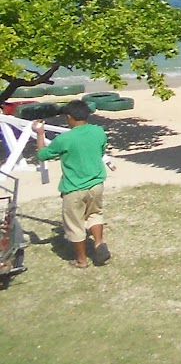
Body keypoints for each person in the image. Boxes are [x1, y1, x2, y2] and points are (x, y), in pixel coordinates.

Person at [32, 101, 110, 268]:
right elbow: (102, 151)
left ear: (69, 117)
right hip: (96, 183)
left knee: (75, 224)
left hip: (74, 187)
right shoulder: (98, 131)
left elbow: (43, 155)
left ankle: (81, 260)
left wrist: (39, 134)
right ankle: (98, 242)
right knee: (95, 214)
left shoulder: (64, 139)